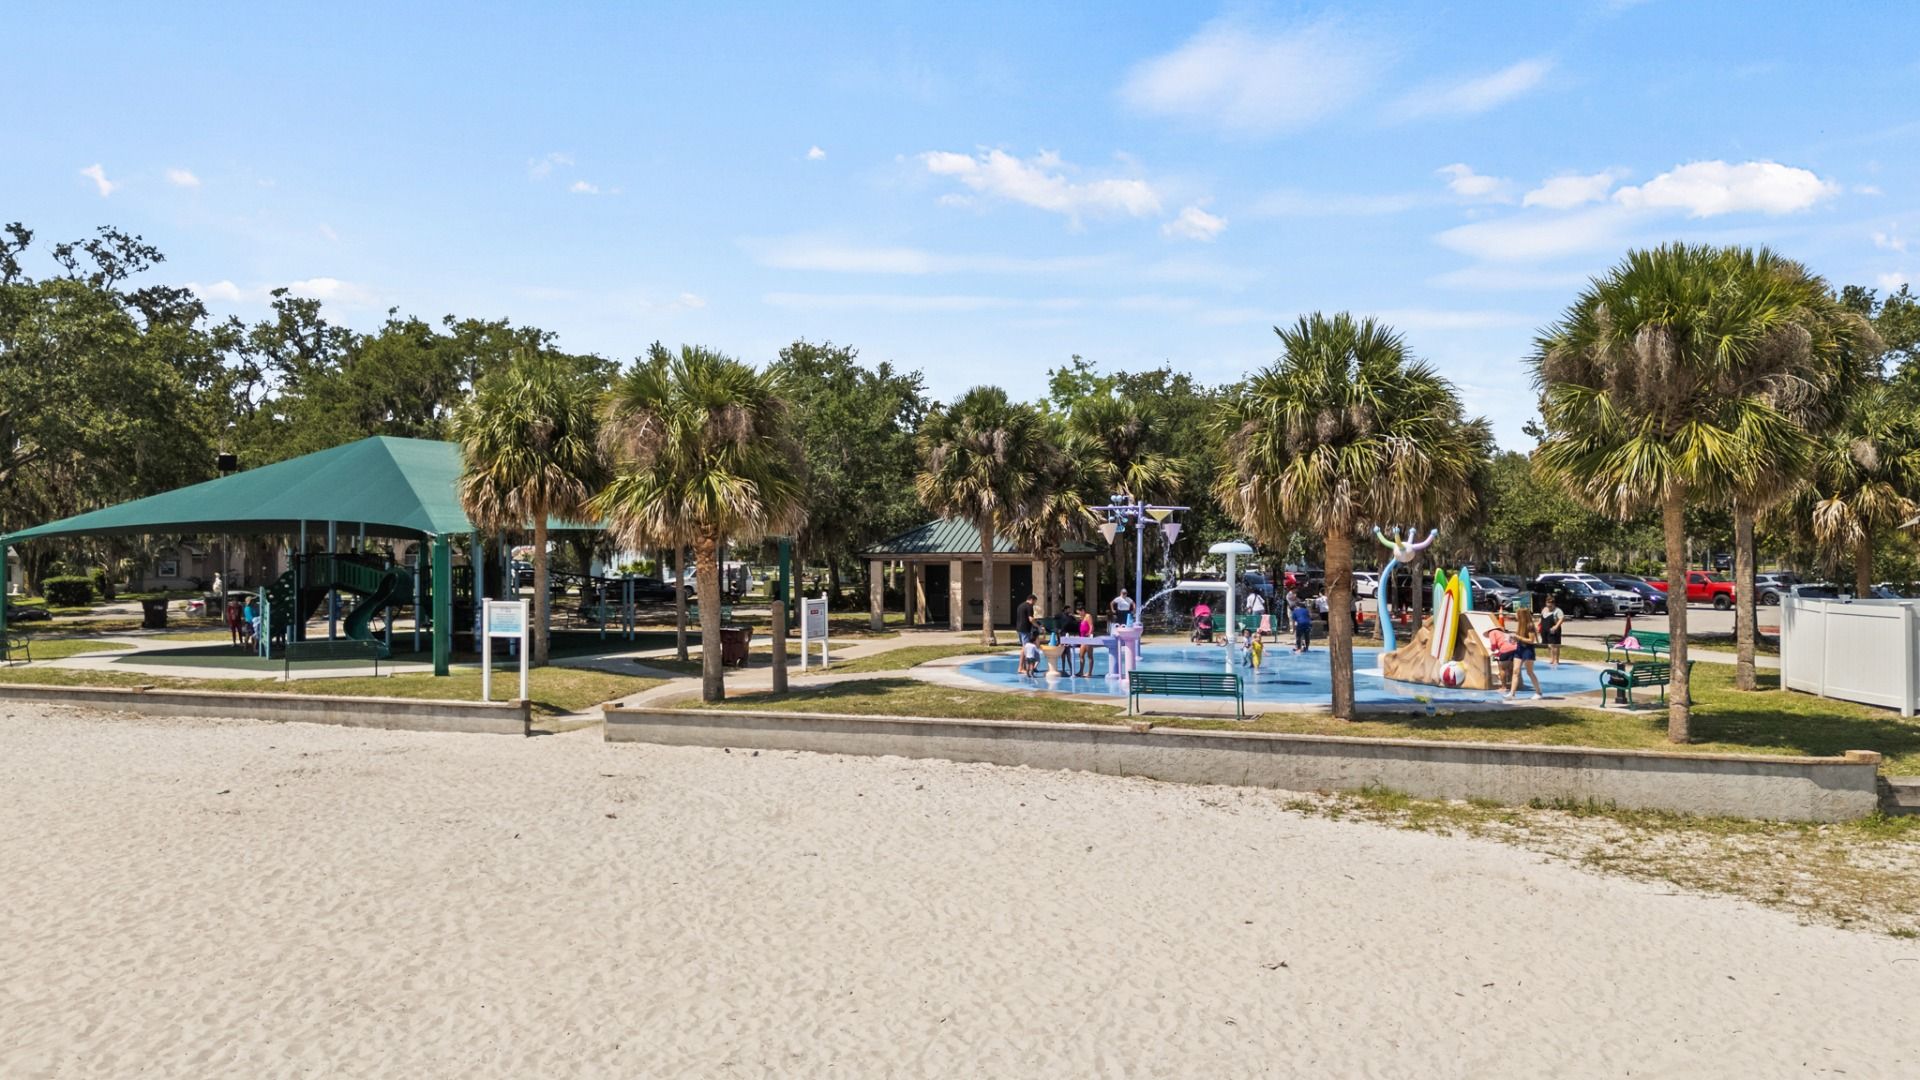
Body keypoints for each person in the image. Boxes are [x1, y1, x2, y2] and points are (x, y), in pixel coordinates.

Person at [1508, 607, 1545, 699]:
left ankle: (1538, 692)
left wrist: (1518, 637)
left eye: (1517, 614)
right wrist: (1514, 639)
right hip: (1519, 648)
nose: (1515, 616)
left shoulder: (1529, 626)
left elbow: (1531, 640)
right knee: (1515, 671)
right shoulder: (1520, 625)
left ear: (1522, 615)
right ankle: (1512, 693)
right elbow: (1520, 638)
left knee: (1529, 672)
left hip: (1528, 650)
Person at [1485, 619, 1519, 693]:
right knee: (1511, 669)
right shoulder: (1503, 633)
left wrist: (1492, 650)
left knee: (1502, 669)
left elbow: (1493, 644)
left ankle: (1503, 687)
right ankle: (1514, 686)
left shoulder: (1492, 632)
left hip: (1505, 650)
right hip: (1515, 649)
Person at [1014, 593, 1038, 676]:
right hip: (1025, 630)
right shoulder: (1029, 606)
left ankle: (1024, 667)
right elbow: (1031, 619)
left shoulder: (1020, 606)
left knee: (1024, 648)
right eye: (1034, 602)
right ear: (1031, 599)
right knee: (1025, 649)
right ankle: (1020, 668)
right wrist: (1038, 626)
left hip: (1019, 629)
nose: (1034, 604)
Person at [1538, 596, 1564, 668]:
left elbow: (1561, 619)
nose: (1549, 604)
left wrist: (1556, 626)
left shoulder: (1558, 610)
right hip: (1545, 629)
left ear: (1554, 603)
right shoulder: (1544, 609)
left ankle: (1556, 660)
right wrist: (1538, 625)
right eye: (1548, 602)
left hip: (1553, 629)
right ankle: (1552, 658)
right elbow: (1541, 618)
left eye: (1551, 603)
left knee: (1555, 645)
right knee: (1549, 645)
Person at [1073, 603, 1097, 677]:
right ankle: (1081, 671)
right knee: (1081, 655)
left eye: (1079, 612)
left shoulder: (1088, 616)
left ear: (1083, 610)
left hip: (1088, 639)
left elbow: (1091, 626)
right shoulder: (1082, 618)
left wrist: (1089, 634)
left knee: (1089, 656)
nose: (1079, 614)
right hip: (1082, 639)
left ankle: (1089, 673)